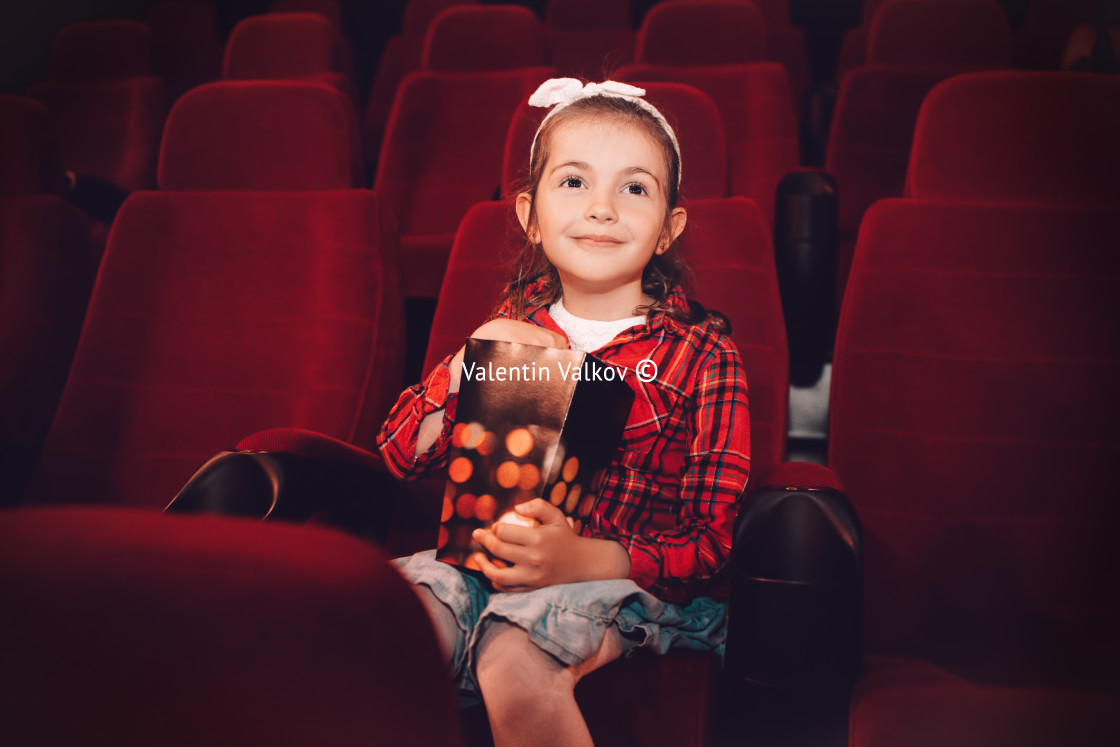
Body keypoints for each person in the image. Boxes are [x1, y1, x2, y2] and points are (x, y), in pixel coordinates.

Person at [376, 78, 751, 746]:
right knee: (392, 626)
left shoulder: (702, 354)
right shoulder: (511, 330)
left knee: (514, 658)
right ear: (530, 213)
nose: (602, 208)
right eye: (574, 182)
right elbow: (399, 454)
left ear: (669, 228)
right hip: (476, 565)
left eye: (634, 188)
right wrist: (473, 359)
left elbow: (712, 544)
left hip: (617, 583)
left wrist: (584, 558)